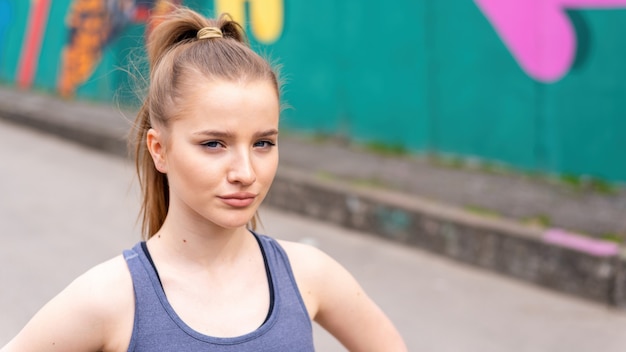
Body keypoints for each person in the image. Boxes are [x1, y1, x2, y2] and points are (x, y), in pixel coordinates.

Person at [1, 5, 407, 352]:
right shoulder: (109, 298)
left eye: (263, 143)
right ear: (159, 149)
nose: (246, 173)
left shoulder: (310, 276)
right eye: (214, 144)